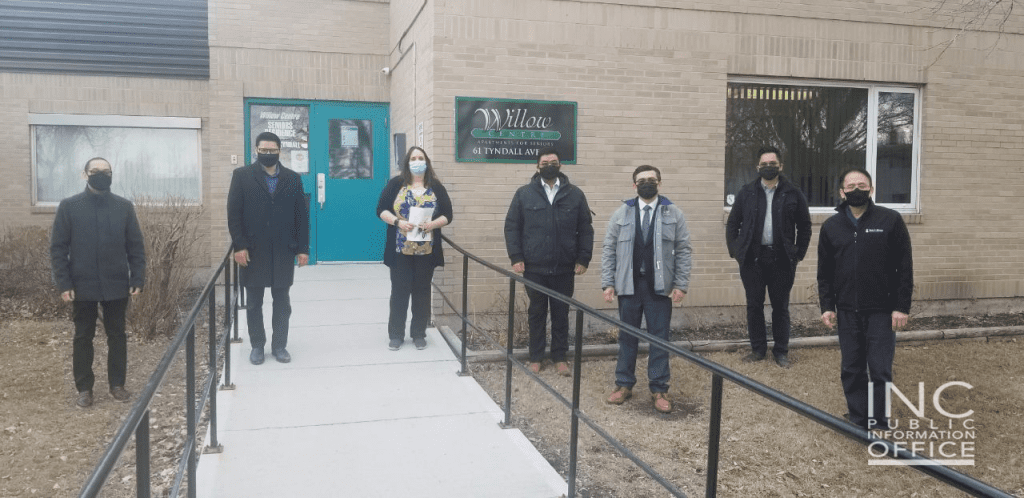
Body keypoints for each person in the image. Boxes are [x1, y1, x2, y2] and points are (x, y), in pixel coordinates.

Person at [817, 168, 913, 431]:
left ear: (871, 190)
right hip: (847, 310)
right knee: (851, 367)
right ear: (842, 192)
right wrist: (827, 306)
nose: (856, 189)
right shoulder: (831, 227)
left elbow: (904, 267)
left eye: (862, 185)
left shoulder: (890, 220)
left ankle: (879, 421)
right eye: (850, 186)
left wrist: (901, 307)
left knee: (880, 369)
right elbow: (824, 272)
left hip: (882, 311)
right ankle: (858, 419)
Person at [50, 157, 146, 408]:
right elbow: (58, 249)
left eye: (106, 171)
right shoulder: (69, 206)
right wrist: (64, 283)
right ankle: (84, 388)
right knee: (83, 337)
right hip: (81, 285)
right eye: (96, 171)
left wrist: (137, 277)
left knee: (117, 336)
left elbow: (135, 246)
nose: (101, 175)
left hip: (116, 283)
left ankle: (117, 384)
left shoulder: (123, 207)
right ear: (85, 174)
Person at [602, 165, 691, 414]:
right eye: (642, 180)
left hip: (659, 289)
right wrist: (608, 282)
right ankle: (624, 384)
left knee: (659, 339)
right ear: (634, 186)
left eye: (652, 180)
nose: (647, 183)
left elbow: (684, 250)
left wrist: (681, 284)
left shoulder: (673, 213)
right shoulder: (622, 213)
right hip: (629, 287)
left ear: (659, 183)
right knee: (627, 337)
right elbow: (609, 249)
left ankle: (659, 388)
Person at [504, 147, 594, 376]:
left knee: (561, 313)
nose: (549, 165)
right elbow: (512, 227)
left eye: (553, 161)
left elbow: (585, 229)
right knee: (536, 312)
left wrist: (583, 258)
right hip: (534, 267)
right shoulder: (524, 194)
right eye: (544, 163)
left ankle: (559, 357)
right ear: (537, 166)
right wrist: (516, 257)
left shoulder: (575, 194)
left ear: (560, 165)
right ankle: (536, 356)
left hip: (565, 266)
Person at [227, 132, 310, 365]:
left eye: (272, 150)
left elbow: (301, 216)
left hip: (283, 250)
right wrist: (239, 246)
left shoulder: (293, 178)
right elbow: (234, 215)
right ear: (256, 150)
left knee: (282, 301)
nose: (268, 154)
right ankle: (257, 345)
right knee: (254, 301)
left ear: (279, 151)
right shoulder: (242, 176)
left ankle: (279, 345)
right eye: (263, 150)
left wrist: (303, 249)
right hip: (253, 251)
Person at [726, 146, 811, 368]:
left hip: (782, 260)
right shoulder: (747, 192)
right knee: (754, 306)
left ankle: (781, 351)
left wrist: (798, 254)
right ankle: (758, 350)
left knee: (780, 307)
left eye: (772, 164)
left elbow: (805, 226)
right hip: (752, 260)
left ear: (780, 166)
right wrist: (737, 251)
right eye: (764, 164)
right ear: (757, 167)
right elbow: (733, 224)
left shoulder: (793, 193)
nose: (768, 167)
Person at [376, 147, 453, 351]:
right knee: (399, 292)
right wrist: (397, 222)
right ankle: (396, 335)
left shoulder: (435, 186)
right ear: (407, 162)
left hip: (426, 251)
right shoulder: (396, 184)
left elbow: (448, 214)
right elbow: (381, 209)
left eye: (420, 158)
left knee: (422, 292)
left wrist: (433, 225)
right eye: (413, 158)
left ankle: (419, 333)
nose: (417, 161)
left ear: (426, 162)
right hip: (400, 250)